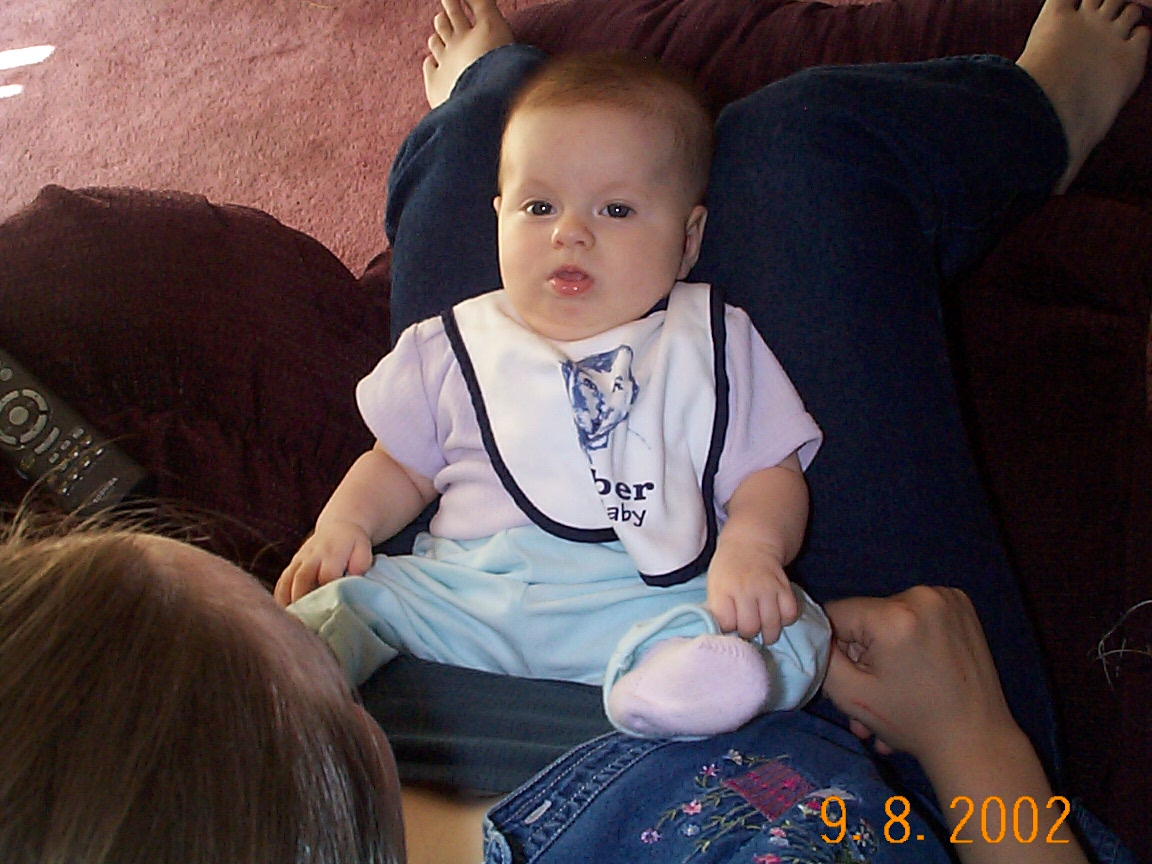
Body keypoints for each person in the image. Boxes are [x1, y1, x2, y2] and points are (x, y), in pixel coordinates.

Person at [0, 511, 1124, 864]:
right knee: (804, 158)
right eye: (311, 661)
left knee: (497, 178)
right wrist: (979, 743)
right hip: (957, 786)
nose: (319, 616)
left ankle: (472, 114)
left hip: (630, 634)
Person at [276, 50, 831, 739]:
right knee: (350, 604)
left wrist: (753, 548)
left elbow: (769, 472)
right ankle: (289, 675)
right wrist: (343, 525)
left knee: (793, 633)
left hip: (639, 598)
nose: (570, 232)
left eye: (616, 209)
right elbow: (398, 465)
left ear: (689, 240)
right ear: (498, 218)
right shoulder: (454, 345)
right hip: (470, 595)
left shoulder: (712, 342)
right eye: (539, 207)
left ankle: (667, 686)